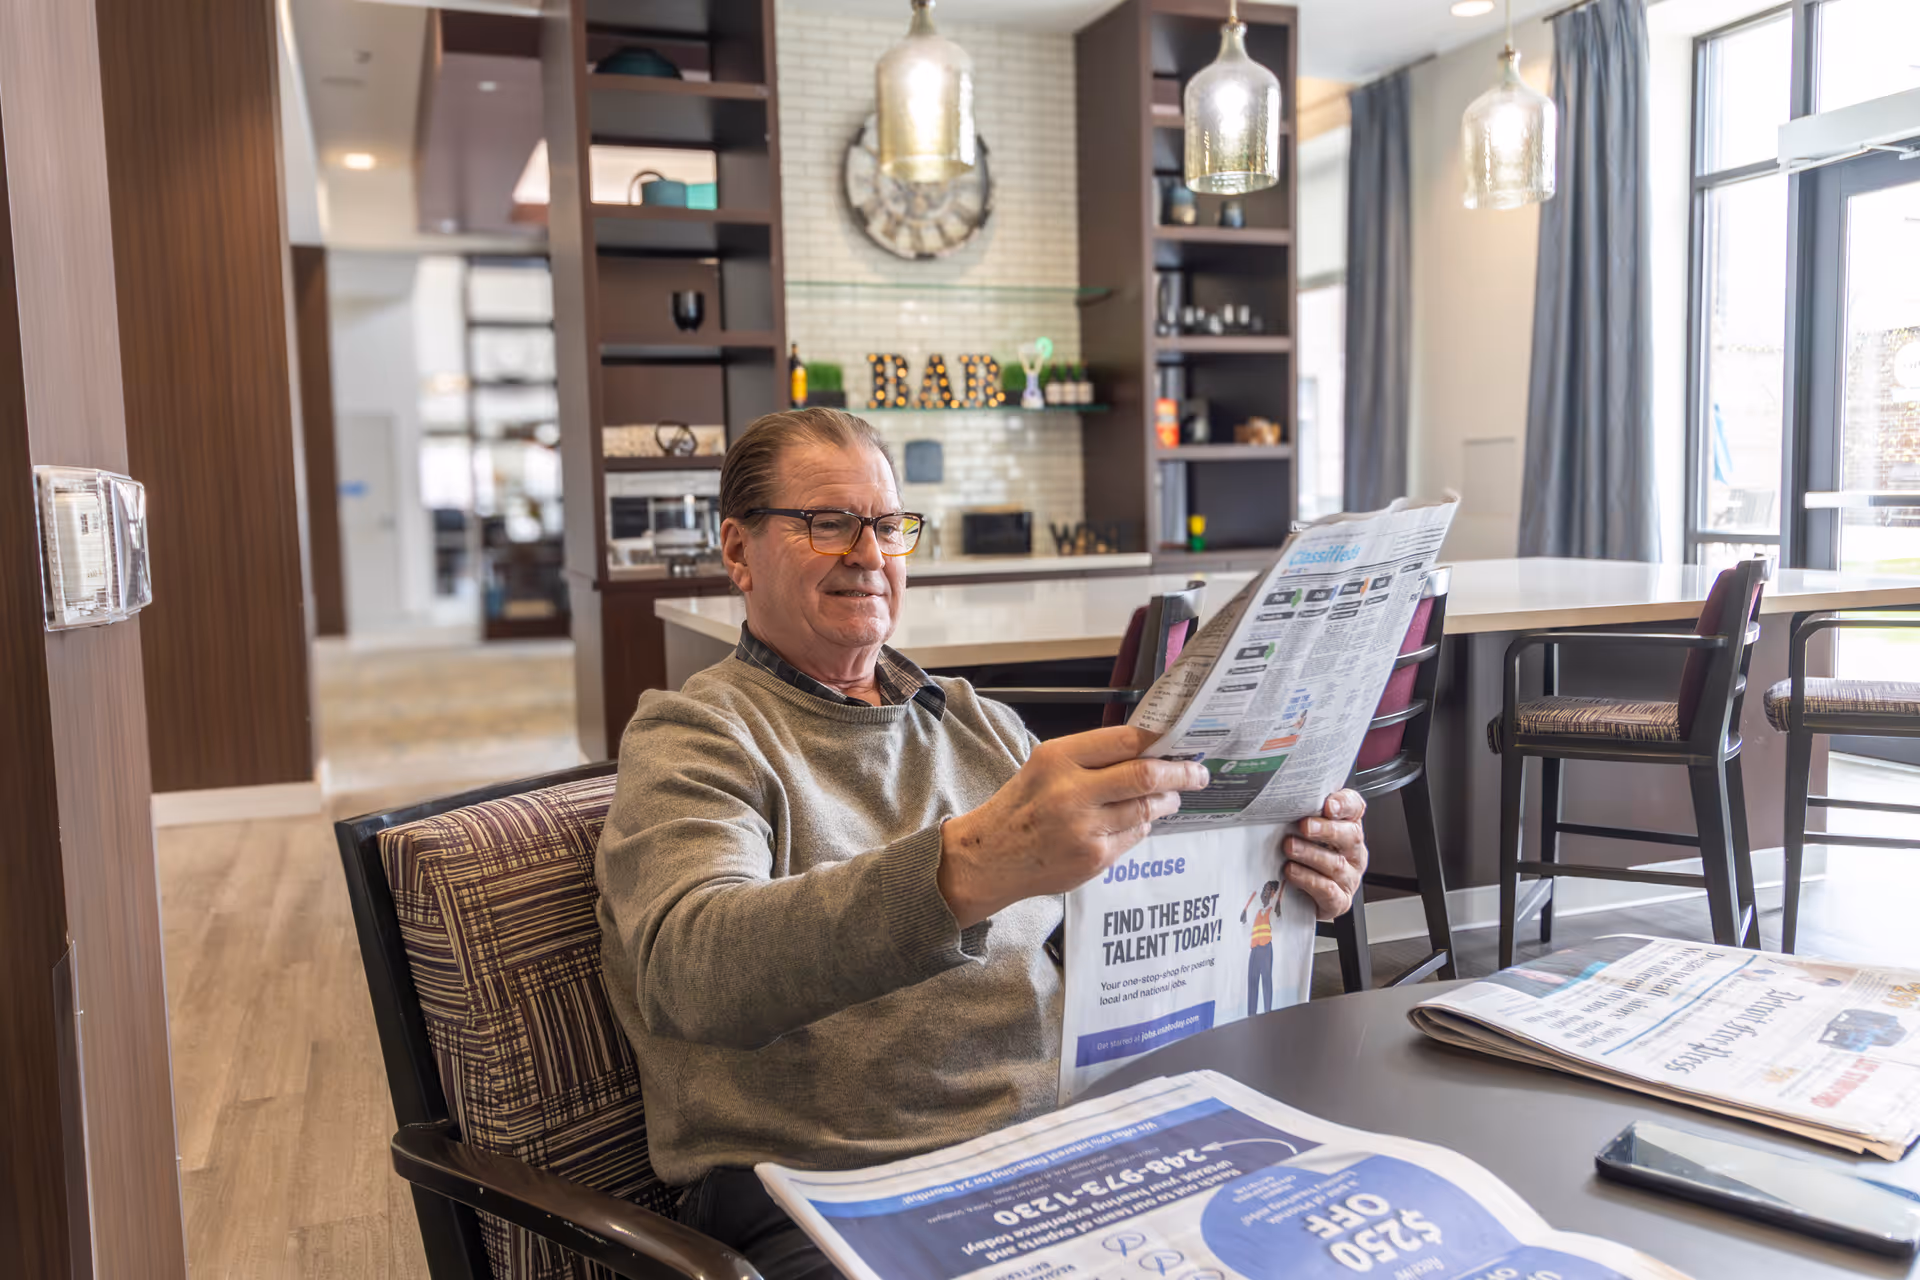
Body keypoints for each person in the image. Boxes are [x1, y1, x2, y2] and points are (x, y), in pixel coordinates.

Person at [596, 408, 1370, 1280]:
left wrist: (1282, 870)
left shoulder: (978, 725)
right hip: (835, 1181)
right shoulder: (696, 735)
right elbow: (690, 971)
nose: (868, 552)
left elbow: (1113, 932)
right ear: (738, 551)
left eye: (888, 526)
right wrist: (968, 867)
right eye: (828, 523)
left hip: (1060, 1143)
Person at [1239, 879, 1283, 1017]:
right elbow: (1247, 932)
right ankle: (1251, 1015)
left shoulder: (1272, 912)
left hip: (1266, 950)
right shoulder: (1256, 913)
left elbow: (1278, 929)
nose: (1264, 893)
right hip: (1255, 950)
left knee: (1266, 982)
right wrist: (1244, 921)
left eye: (1267, 890)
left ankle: (1268, 1013)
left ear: (1273, 894)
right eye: (1263, 889)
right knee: (1252, 982)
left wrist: (1278, 914)